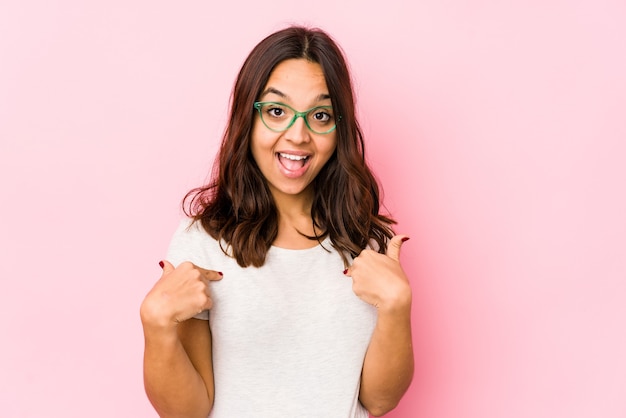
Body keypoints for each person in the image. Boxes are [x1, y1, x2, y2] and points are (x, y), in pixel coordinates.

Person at [140, 26, 414, 417]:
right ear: (247, 119)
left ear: (339, 128)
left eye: (320, 115)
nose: (298, 134)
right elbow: (188, 412)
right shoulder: (201, 242)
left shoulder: (365, 243)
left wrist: (397, 304)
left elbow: (380, 400)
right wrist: (156, 324)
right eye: (276, 111)